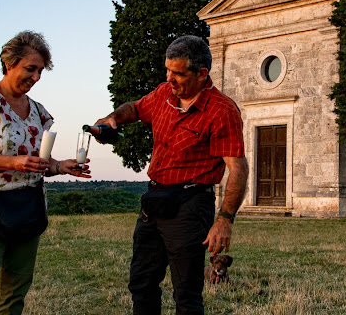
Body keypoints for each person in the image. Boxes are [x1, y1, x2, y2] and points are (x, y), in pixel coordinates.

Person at [94, 35, 249, 315]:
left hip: (190, 204)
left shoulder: (222, 111)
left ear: (202, 74)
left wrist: (225, 219)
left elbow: (238, 168)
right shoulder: (163, 93)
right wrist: (113, 118)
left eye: (178, 73)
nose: (170, 79)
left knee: (186, 294)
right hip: (154, 200)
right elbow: (136, 108)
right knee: (141, 283)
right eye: (168, 70)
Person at [0, 31, 91, 315]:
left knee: (14, 295)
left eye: (40, 71)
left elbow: (40, 162)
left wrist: (59, 166)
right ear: (9, 63)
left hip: (28, 206)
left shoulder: (39, 112)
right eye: (30, 69)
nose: (36, 77)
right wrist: (13, 163)